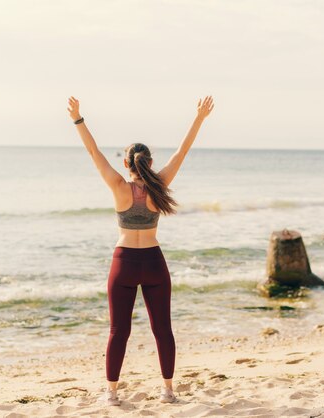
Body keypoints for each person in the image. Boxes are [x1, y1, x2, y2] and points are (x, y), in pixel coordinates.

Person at [66, 95, 215, 406]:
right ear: (150, 163)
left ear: (126, 163)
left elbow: (93, 152)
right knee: (163, 329)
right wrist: (199, 118)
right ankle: (168, 391)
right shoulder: (159, 184)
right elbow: (182, 151)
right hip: (153, 262)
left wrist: (78, 119)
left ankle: (111, 393)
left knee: (119, 330)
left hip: (123, 263)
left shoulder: (119, 187)